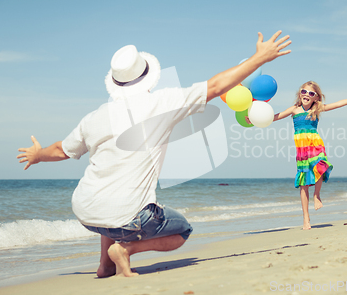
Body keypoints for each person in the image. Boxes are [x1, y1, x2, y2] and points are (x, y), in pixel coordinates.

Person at [17, 31, 291, 277]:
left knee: (111, 204)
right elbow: (217, 86)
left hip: (85, 210)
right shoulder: (162, 102)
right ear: (147, 76)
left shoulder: (95, 117)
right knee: (182, 231)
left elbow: (60, 150)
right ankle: (125, 252)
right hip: (128, 217)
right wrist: (259, 58)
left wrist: (37, 155)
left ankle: (105, 266)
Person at [272, 81, 347, 230]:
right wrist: (254, 119)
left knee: (322, 166)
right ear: (300, 93)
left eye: (311, 93)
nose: (306, 95)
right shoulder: (294, 110)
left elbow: (338, 104)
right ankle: (306, 218)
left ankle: (317, 195)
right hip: (302, 148)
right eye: (304, 91)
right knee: (304, 182)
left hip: (316, 144)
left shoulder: (316, 109)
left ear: (316, 98)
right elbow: (275, 117)